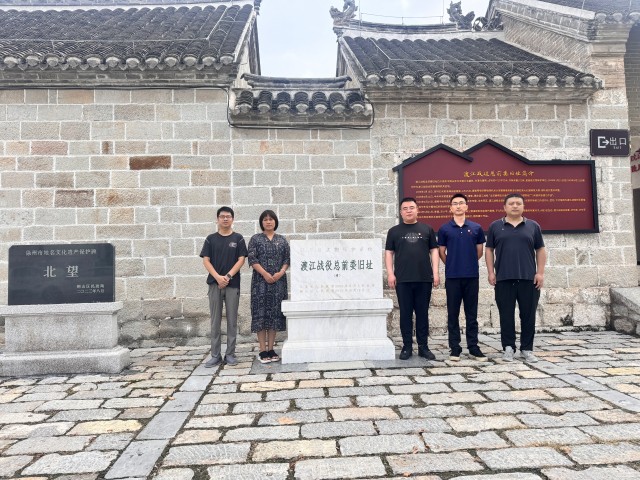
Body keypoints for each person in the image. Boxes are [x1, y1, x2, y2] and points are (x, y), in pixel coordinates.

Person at [485, 193, 546, 363]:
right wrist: (491, 272)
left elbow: (540, 249)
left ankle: (526, 349)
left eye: (518, 203)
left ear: (523, 207)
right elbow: (489, 250)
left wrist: (540, 273)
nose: (515, 206)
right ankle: (508, 347)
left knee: (528, 315)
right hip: (503, 278)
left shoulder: (533, 226)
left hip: (528, 279)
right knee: (506, 315)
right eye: (511, 203)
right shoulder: (495, 226)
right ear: (504, 207)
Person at [385, 197, 440, 361]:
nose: (408, 210)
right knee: (405, 313)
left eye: (411, 207)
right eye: (405, 208)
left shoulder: (427, 229)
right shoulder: (394, 231)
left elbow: (434, 251)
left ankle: (423, 347)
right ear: (401, 212)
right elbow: (389, 253)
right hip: (403, 279)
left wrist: (435, 273)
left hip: (424, 278)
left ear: (417, 210)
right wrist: (390, 273)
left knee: (422, 313)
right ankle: (407, 346)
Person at [438, 193, 487, 362]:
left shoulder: (476, 228)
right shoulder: (444, 229)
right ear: (450, 208)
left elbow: (479, 251)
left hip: (471, 276)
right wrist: (452, 263)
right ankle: (455, 348)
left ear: (466, 206)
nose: (458, 206)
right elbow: (441, 252)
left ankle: (473, 347)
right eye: (455, 203)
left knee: (471, 314)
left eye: (461, 203)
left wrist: (468, 262)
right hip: (452, 277)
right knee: (453, 314)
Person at [200, 206, 247, 367]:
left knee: (232, 320)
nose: (225, 219)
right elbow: (206, 260)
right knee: (215, 320)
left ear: (233, 219)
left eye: (228, 216)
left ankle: (230, 354)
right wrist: (218, 277)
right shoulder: (210, 239)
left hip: (232, 284)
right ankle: (215, 355)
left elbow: (241, 259)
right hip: (215, 284)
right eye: (222, 216)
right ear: (217, 219)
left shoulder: (238, 238)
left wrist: (227, 277)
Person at [248, 210, 290, 364]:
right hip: (260, 282)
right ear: (261, 222)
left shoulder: (282, 240)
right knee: (261, 314)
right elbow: (252, 259)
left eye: (271, 219)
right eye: (265, 219)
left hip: (278, 283)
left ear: (275, 221)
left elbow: (287, 259)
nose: (268, 222)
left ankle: (271, 348)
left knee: (274, 315)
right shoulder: (256, 239)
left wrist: (281, 272)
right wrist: (265, 274)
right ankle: (262, 350)